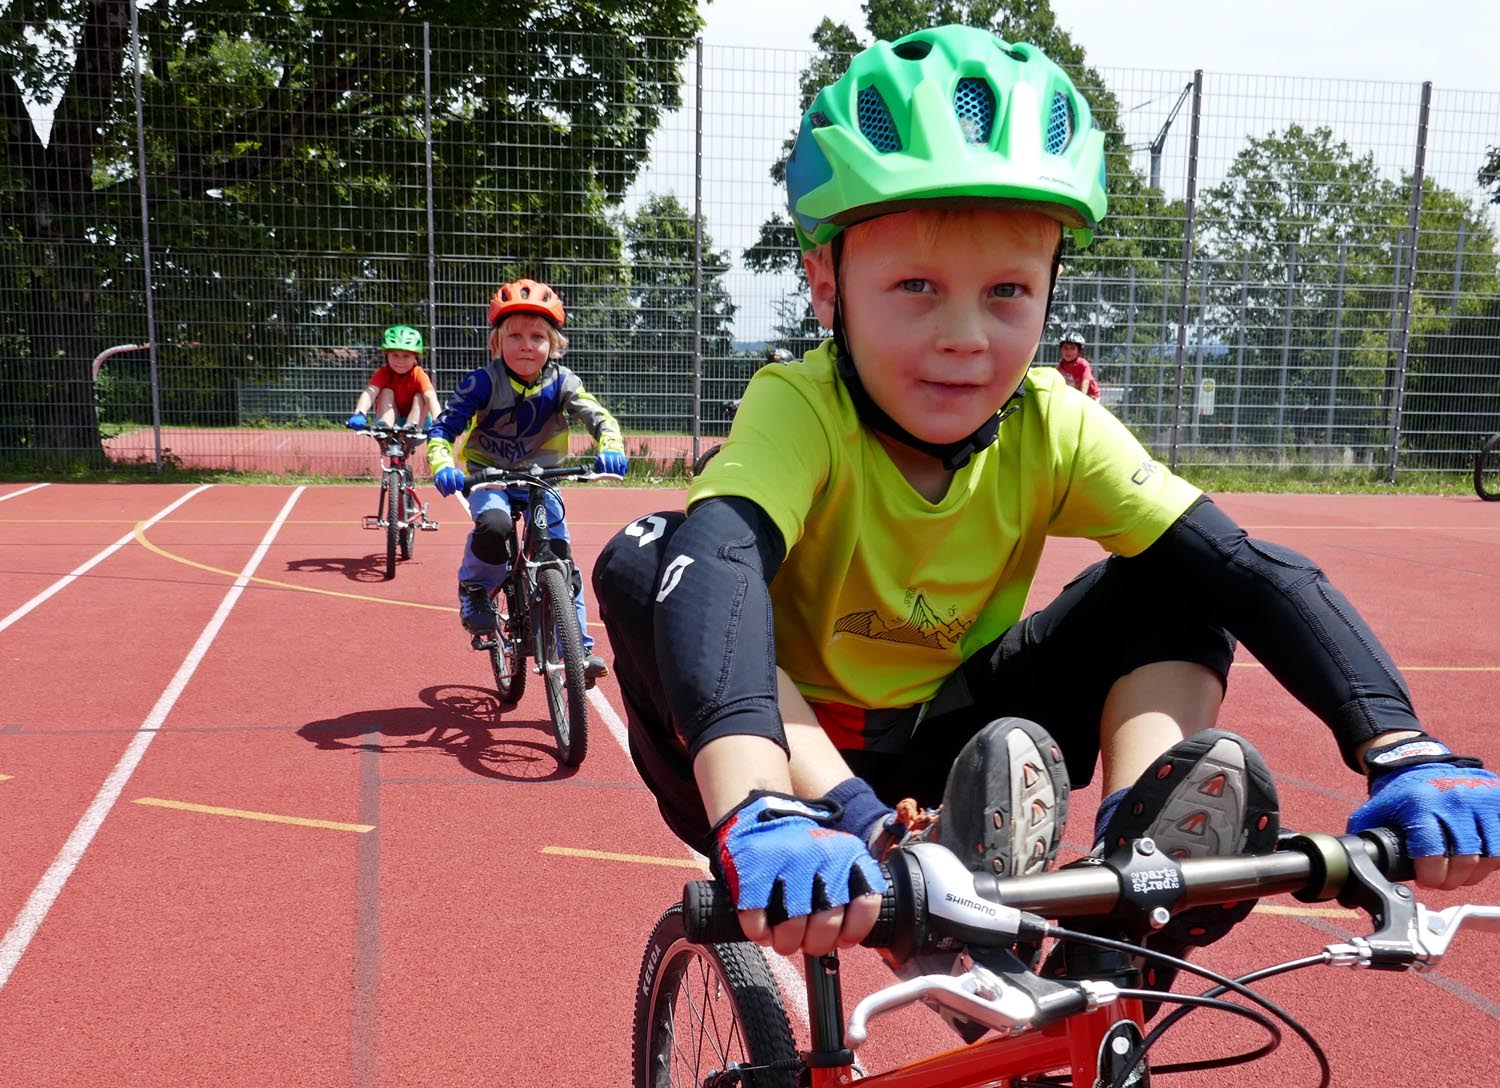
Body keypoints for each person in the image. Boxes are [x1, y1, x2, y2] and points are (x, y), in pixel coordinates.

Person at [592, 24, 1500, 977]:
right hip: (776, 753)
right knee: (660, 554)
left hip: (952, 745)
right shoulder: (800, 407)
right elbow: (723, 564)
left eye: (1008, 292)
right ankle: (830, 826)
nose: (965, 337)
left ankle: (1139, 866)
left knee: (1179, 571)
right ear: (827, 284)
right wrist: (763, 800)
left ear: (1050, 290)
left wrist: (1401, 745)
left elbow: (1246, 571)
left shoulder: (1051, 421)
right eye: (915, 286)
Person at [426, 279, 628, 687]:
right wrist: (443, 463)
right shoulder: (482, 381)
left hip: (541, 477)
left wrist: (610, 444)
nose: (525, 345)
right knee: (495, 527)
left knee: (560, 557)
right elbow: (443, 430)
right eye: (514, 335)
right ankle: (476, 589)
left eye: (537, 336)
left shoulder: (563, 381)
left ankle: (580, 649)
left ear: (553, 344)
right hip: (491, 475)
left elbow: (599, 417)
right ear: (497, 342)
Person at [347, 325, 442, 432]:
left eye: (406, 356)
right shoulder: (383, 372)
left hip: (419, 422)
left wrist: (439, 421)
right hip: (392, 417)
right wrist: (360, 412)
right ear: (387, 354)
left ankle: (411, 427)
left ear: (415, 357)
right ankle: (385, 427)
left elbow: (431, 397)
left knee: (420, 396)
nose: (400, 361)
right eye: (395, 355)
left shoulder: (418, 374)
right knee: (386, 392)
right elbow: (370, 393)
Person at [1056, 333, 1100, 399]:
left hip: (1091, 395)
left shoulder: (1083, 364)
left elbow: (1085, 383)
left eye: (1072, 348)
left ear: (1079, 351)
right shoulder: (1061, 366)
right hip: (1075, 396)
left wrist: (1081, 399)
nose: (1068, 351)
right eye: (1065, 348)